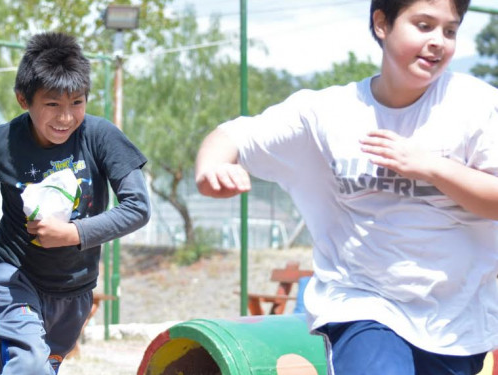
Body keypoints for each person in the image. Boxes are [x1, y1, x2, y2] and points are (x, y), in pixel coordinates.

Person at [195, 0, 498, 373]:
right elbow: (233, 134)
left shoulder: (476, 106)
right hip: (362, 301)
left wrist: (432, 168)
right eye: (423, 25)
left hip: (456, 319)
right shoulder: (330, 112)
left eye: (449, 31)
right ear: (382, 24)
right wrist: (211, 167)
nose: (438, 41)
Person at [0, 31, 150, 375]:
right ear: (24, 100)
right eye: (53, 104)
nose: (66, 117)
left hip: (75, 289)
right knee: (29, 365)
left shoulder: (101, 137)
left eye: (77, 103)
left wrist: (73, 233)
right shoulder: (3, 143)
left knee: (36, 368)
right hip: (13, 277)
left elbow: (138, 208)